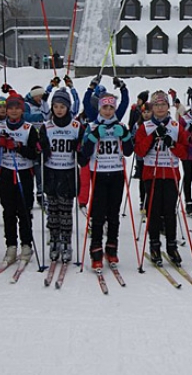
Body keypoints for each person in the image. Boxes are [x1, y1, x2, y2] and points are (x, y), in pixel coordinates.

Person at [134, 90, 189, 266]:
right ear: (152, 106)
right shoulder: (146, 126)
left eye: (163, 105)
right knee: (154, 211)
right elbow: (139, 151)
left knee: (170, 211)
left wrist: (171, 143)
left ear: (168, 106)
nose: (160, 108)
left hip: (171, 173)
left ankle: (171, 246)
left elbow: (185, 152)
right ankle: (154, 244)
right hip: (152, 173)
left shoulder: (175, 126)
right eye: (156, 105)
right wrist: (152, 138)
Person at [79, 92, 132, 270]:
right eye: (105, 107)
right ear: (99, 108)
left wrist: (125, 135)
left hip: (116, 172)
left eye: (111, 108)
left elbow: (129, 151)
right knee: (98, 214)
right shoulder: (92, 125)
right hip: (99, 173)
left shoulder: (121, 125)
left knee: (114, 213)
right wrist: (94, 136)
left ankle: (111, 249)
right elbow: (84, 154)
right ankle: (95, 251)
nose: (108, 111)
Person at [0, 92, 39, 265]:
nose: (14, 111)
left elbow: (35, 154)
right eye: (11, 108)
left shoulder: (29, 128)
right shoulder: (0, 128)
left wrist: (18, 147)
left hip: (24, 173)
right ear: (6, 110)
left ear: (22, 110)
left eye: (18, 108)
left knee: (24, 211)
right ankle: (11, 246)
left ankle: (26, 244)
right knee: (8, 211)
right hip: (6, 173)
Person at [40, 88, 85, 264]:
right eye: (56, 106)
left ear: (68, 107)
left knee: (66, 211)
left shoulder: (75, 126)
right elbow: (40, 150)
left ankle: (66, 242)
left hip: (67, 172)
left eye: (62, 106)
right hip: (51, 172)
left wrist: (79, 147)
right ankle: (54, 240)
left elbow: (83, 156)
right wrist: (42, 148)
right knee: (53, 210)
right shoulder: (47, 126)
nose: (59, 110)